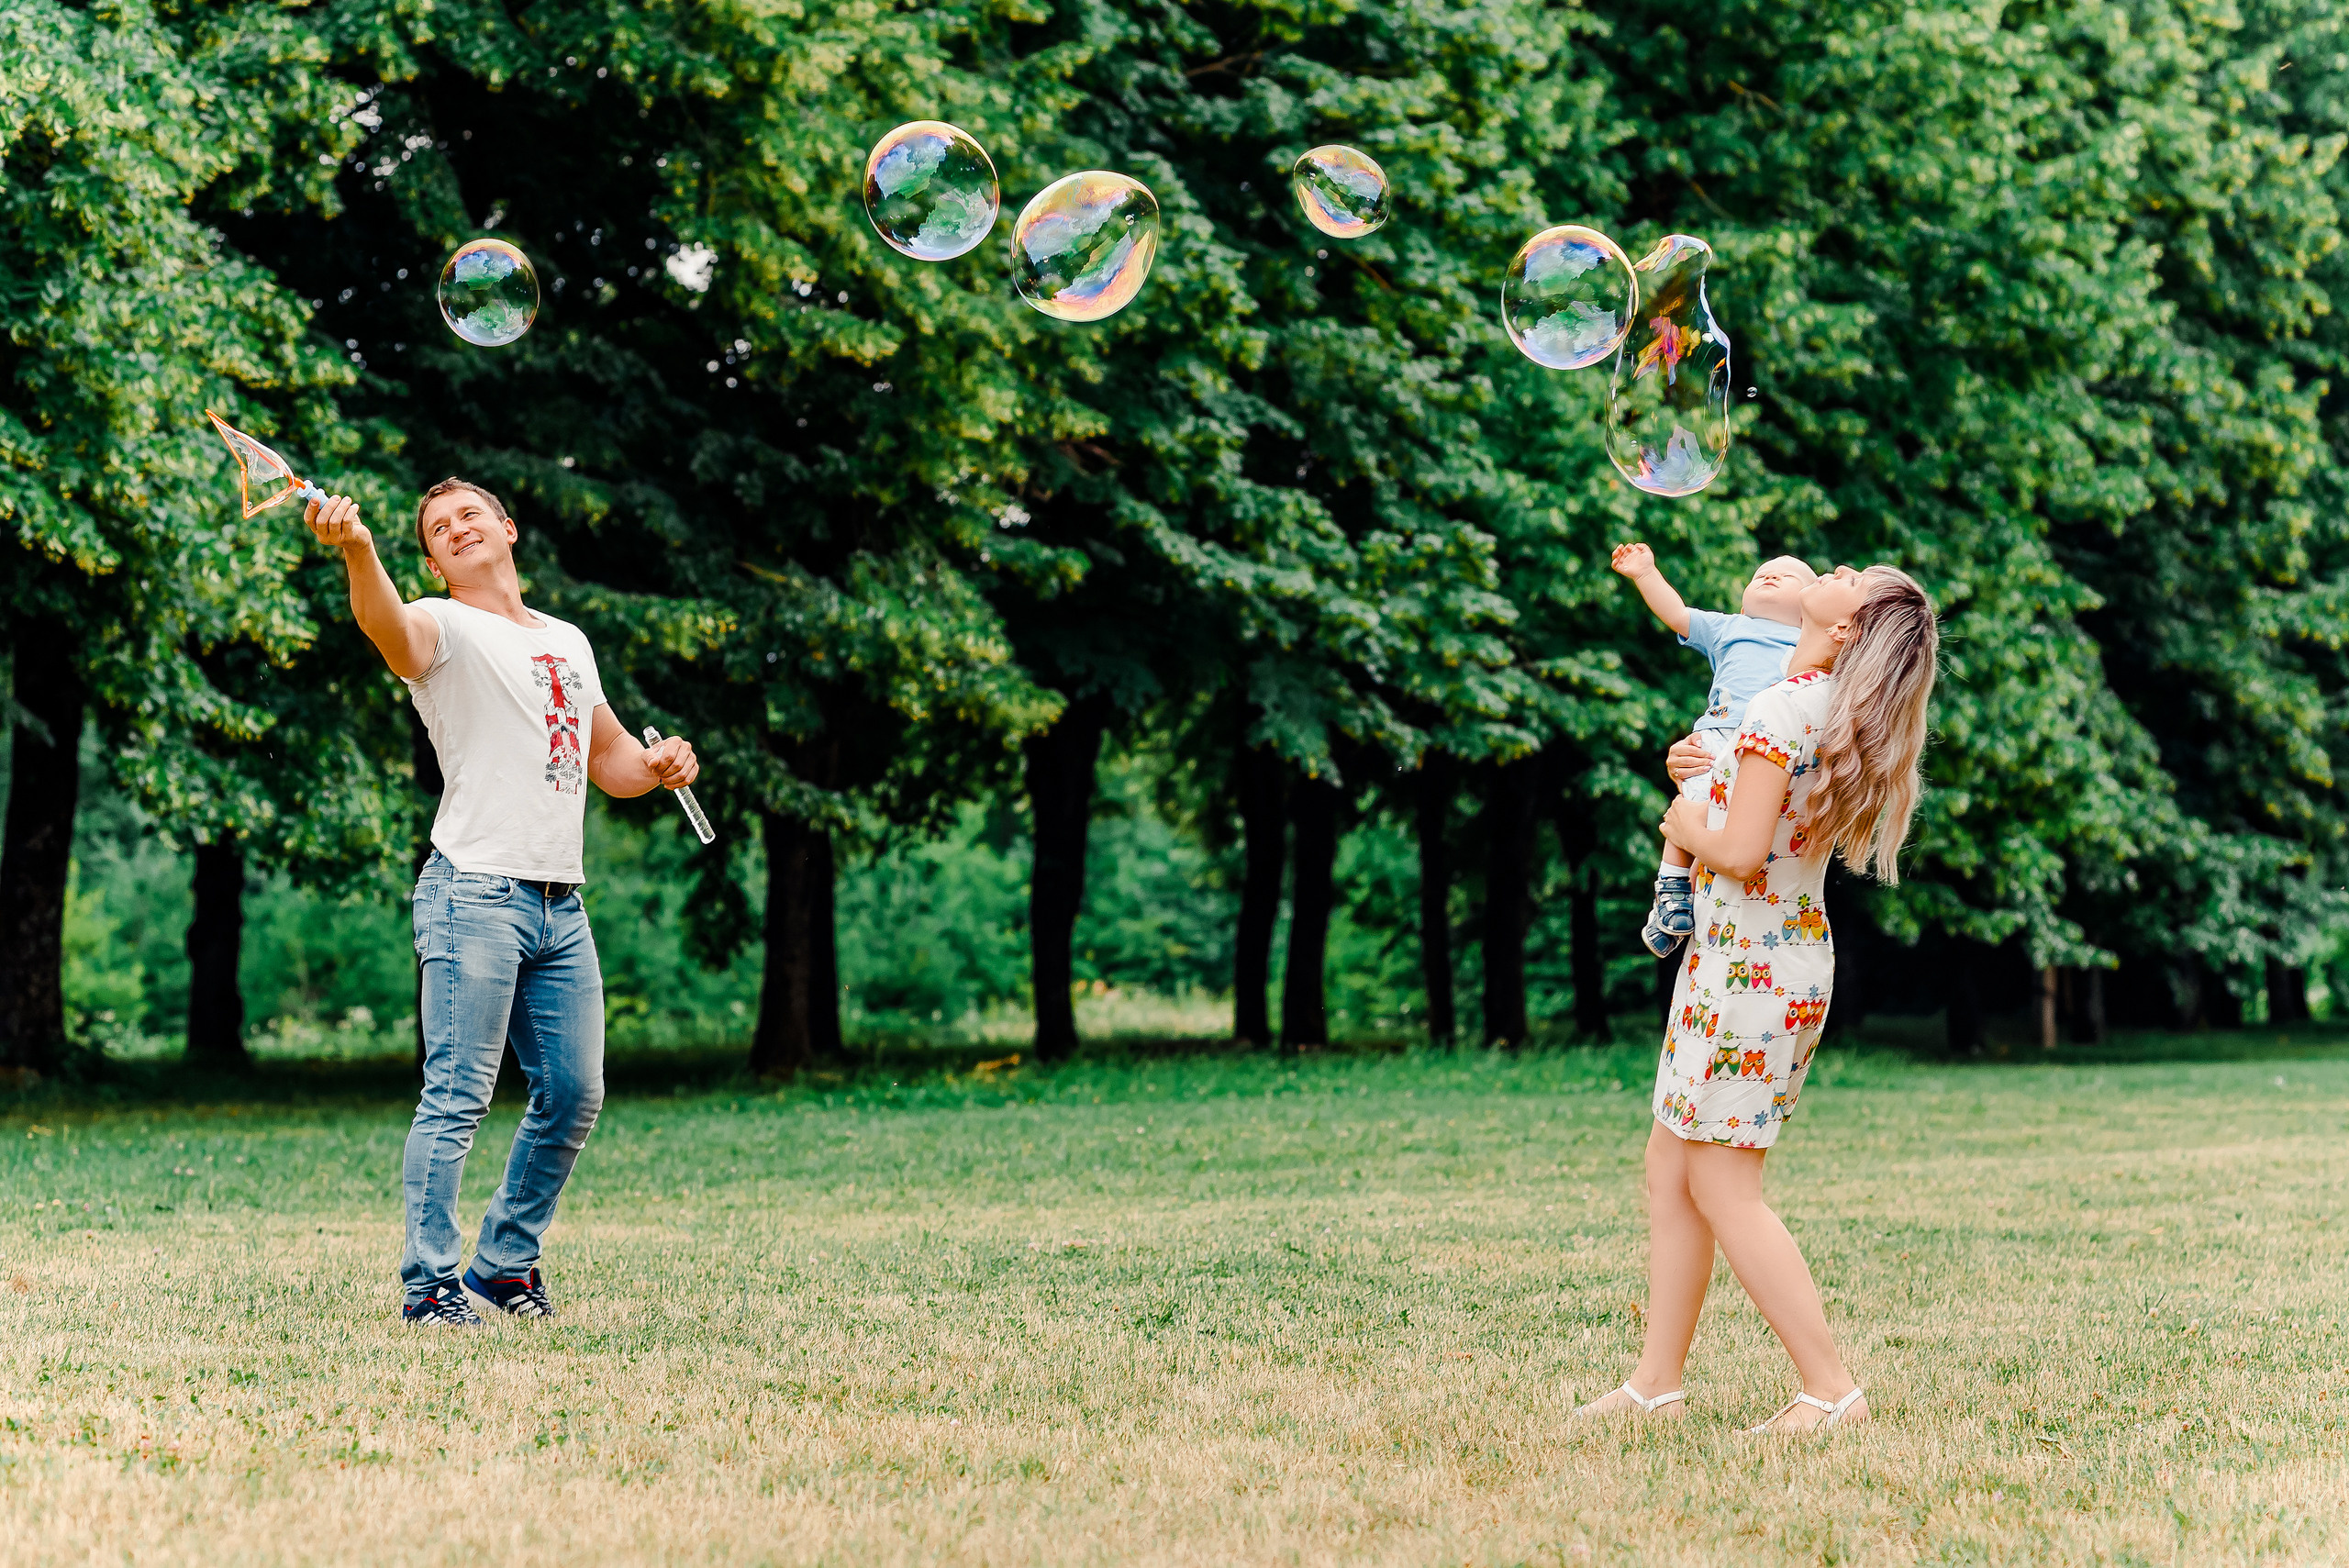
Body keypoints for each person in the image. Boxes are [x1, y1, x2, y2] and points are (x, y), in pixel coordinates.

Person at [305, 477, 701, 1327]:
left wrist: (663, 763)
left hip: (562, 902)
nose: (455, 529)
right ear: (431, 560)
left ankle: (504, 1264)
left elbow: (613, 762)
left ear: (508, 529)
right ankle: (429, 1282)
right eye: (437, 528)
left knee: (573, 1092)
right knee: (458, 1094)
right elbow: (387, 627)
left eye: (469, 516)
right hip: (473, 892)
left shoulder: (569, 640)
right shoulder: (441, 626)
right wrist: (359, 549)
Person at [1577, 563, 1938, 1431]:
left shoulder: (1786, 708)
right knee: (1670, 1169)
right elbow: (1754, 801)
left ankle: (1830, 1388)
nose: (1836, 568)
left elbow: (1738, 852)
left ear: (1844, 630)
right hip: (1746, 961)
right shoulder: (1801, 704)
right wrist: (1694, 765)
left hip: (1752, 971)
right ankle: (1654, 1384)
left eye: (1851, 579)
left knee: (1722, 1183)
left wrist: (1682, 823)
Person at [1609, 544, 1818, 958]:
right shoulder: (1730, 628)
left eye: (1787, 576)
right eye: (1761, 574)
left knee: (1726, 824)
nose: (1770, 576)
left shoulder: (1810, 646)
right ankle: (1671, 887)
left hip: (1769, 747)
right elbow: (1677, 613)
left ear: (1808, 607)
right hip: (1718, 737)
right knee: (1696, 806)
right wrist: (1646, 573)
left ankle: (1674, 909)